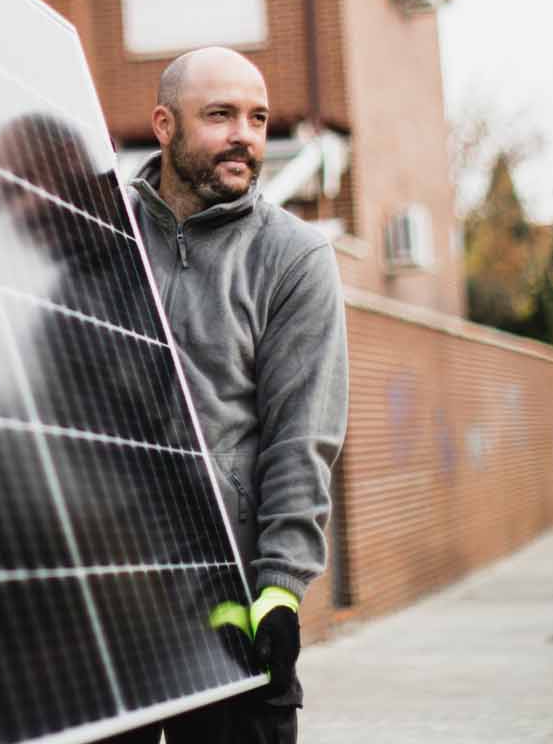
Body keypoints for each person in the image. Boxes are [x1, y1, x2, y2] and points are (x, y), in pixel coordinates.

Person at [107, 47, 348, 744]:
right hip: (110, 597)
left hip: (232, 610)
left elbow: (302, 436)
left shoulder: (294, 257)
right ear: (163, 124)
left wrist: (279, 588)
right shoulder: (101, 234)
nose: (245, 134)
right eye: (220, 115)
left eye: (258, 117)